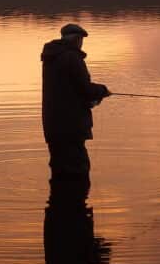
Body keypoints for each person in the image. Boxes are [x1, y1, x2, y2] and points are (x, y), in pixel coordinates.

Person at [40, 23, 110, 180]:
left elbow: (71, 88)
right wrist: (103, 91)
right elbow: (84, 89)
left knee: (59, 167)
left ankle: (60, 201)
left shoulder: (51, 57)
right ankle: (75, 202)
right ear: (77, 39)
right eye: (81, 39)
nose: (81, 43)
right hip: (72, 124)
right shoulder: (72, 57)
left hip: (53, 124)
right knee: (78, 169)